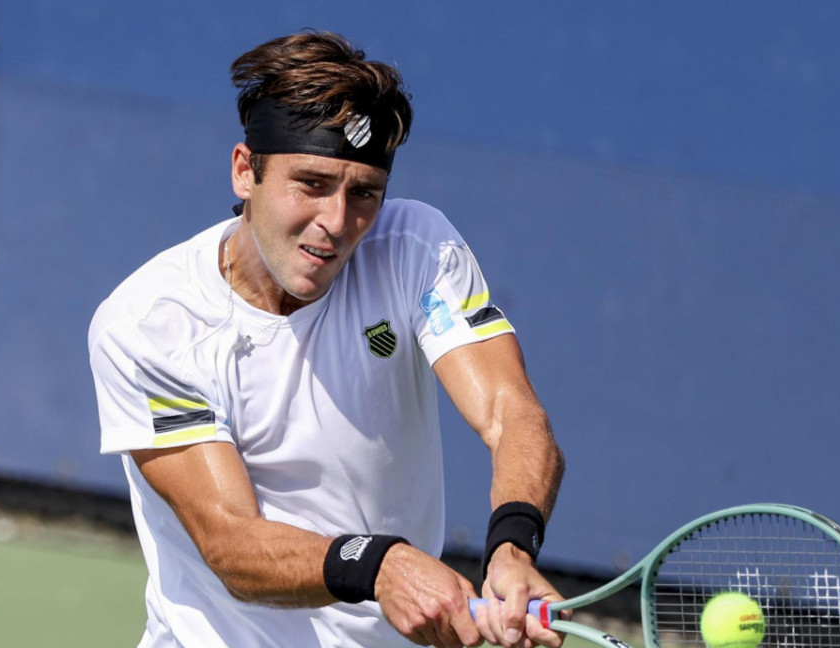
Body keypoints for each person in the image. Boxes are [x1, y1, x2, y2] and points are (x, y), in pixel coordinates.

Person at [88, 30, 566, 648]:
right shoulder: (150, 325)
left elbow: (512, 413)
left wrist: (513, 547)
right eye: (311, 183)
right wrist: (382, 564)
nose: (337, 223)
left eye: (364, 193)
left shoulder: (416, 249)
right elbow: (231, 542)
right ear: (244, 171)